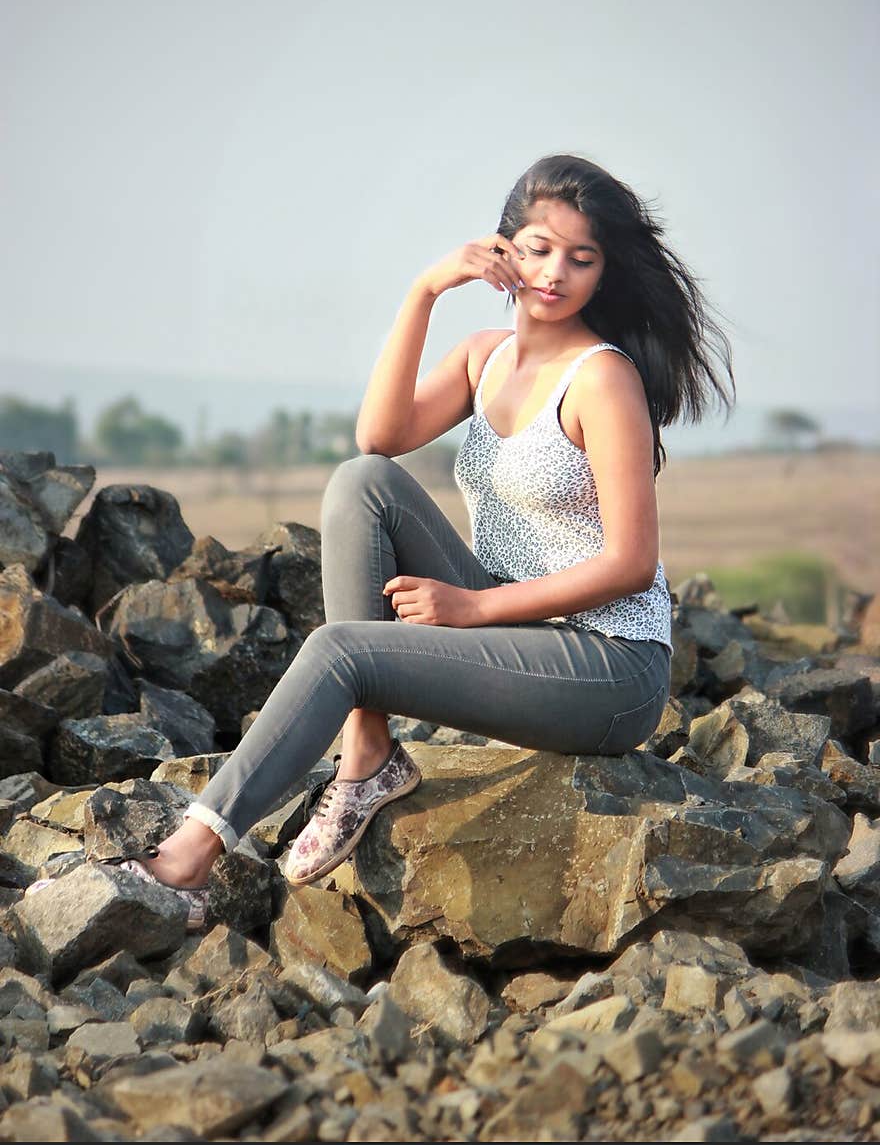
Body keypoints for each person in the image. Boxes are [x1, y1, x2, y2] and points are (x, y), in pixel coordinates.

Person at [78, 152, 736, 925]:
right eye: (537, 248)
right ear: (501, 250)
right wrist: (425, 290)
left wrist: (471, 612)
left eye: (580, 258)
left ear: (603, 272)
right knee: (361, 481)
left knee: (341, 651)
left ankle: (188, 860)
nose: (555, 272)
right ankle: (369, 754)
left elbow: (630, 565)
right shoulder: (485, 358)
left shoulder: (602, 379)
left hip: (610, 666)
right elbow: (379, 435)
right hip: (521, 622)